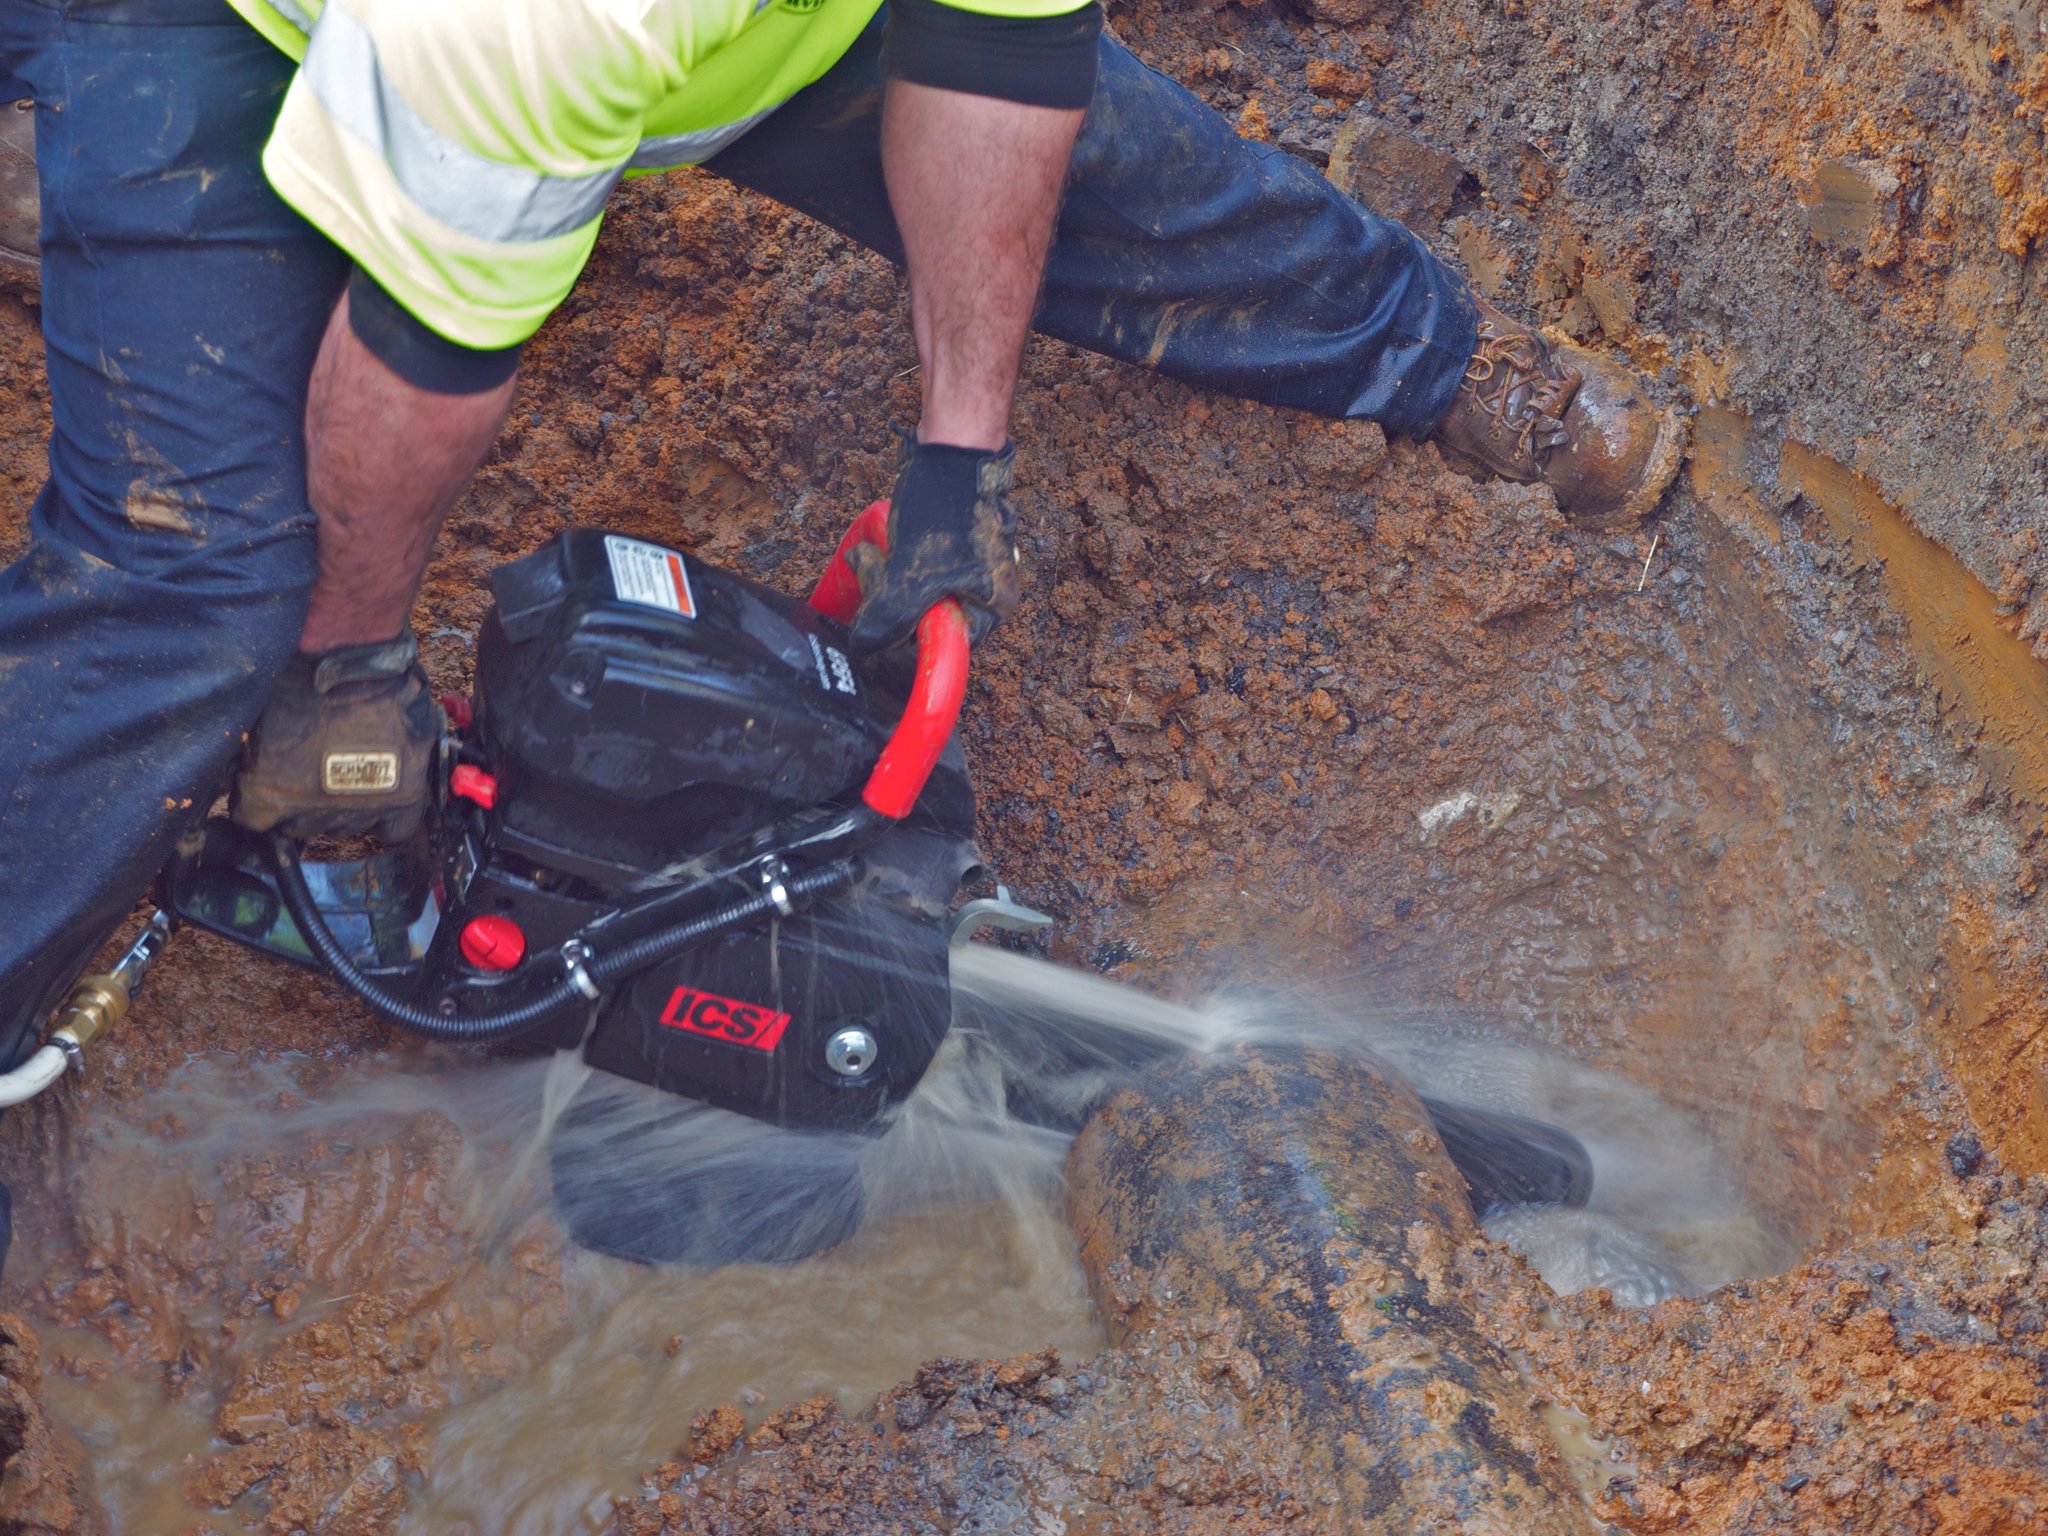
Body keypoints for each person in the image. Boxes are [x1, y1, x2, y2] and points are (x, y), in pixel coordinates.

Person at [0, 0, 1681, 1070]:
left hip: (723, 41)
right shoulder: (528, 23)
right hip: (244, 27)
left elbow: (1006, 52)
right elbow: (417, 363)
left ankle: (1452, 362)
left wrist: (959, 467)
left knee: (1119, 164)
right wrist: (345, 671)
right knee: (200, 577)